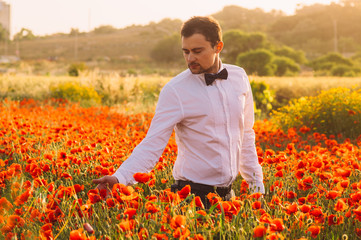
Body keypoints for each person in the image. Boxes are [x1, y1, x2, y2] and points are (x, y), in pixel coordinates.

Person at [93, 16, 265, 207]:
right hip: (190, 197)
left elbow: (246, 134)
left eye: (197, 51)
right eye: (186, 51)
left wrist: (256, 185)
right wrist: (120, 178)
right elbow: (153, 142)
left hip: (228, 197)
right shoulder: (175, 90)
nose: (191, 58)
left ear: (218, 47)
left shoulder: (239, 77)